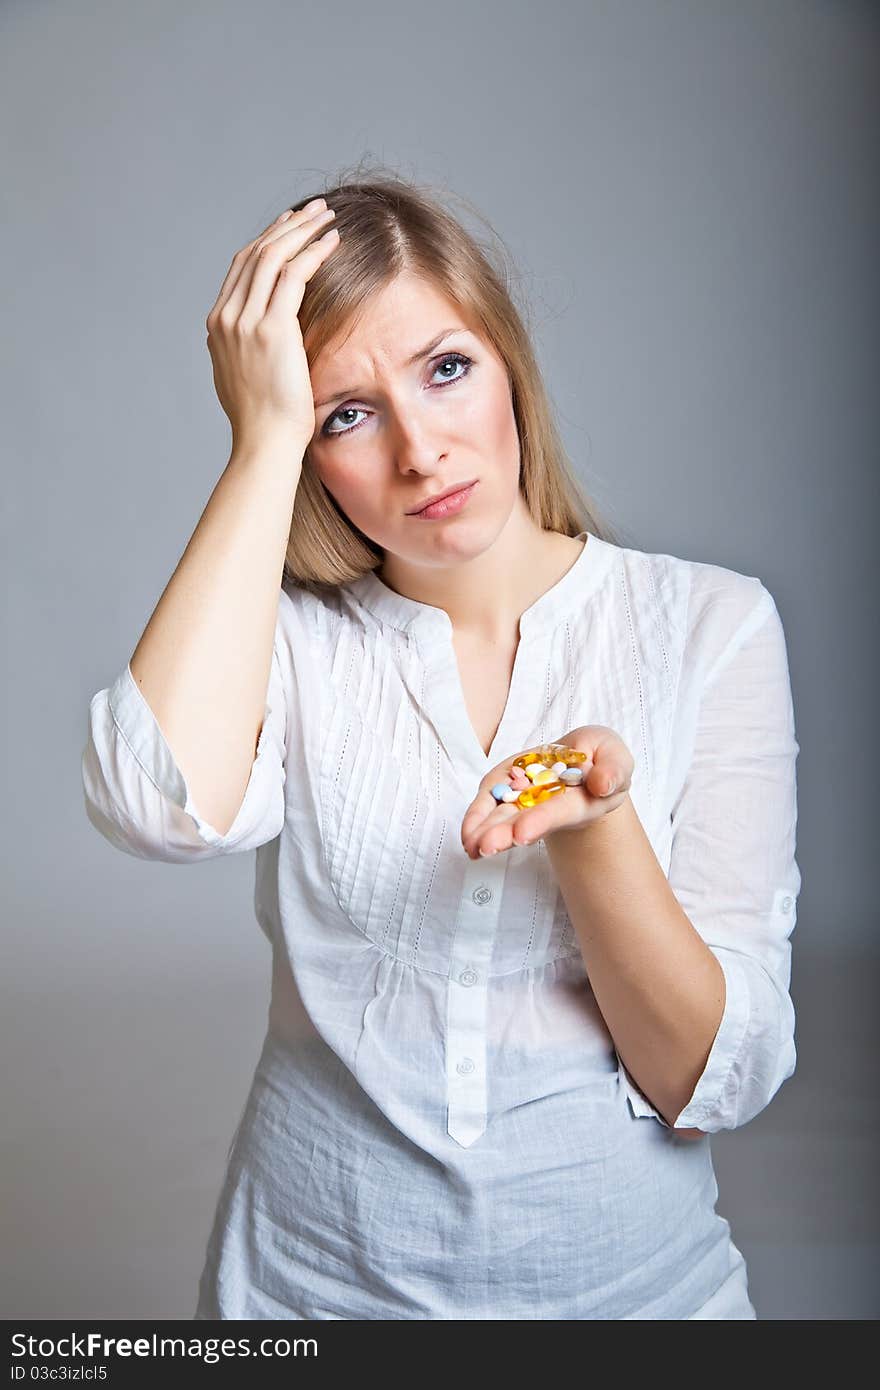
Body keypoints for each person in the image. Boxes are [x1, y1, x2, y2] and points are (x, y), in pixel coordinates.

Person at [81, 171, 801, 1319]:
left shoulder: (707, 626)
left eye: (446, 369)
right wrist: (260, 441)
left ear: (507, 361)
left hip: (639, 1303)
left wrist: (595, 831)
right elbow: (150, 803)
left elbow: (709, 1079)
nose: (419, 450)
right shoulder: (296, 647)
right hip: (305, 1301)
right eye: (345, 415)